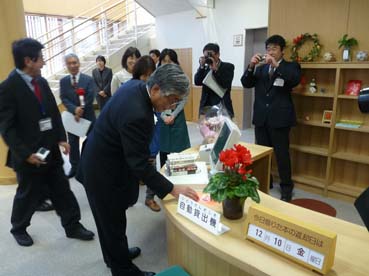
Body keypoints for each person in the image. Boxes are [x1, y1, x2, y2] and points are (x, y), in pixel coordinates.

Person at [77, 64, 199, 276]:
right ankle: (123, 269)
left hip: (100, 158)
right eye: (171, 100)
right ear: (155, 89)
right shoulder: (138, 113)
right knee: (113, 223)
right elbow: (139, 164)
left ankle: (115, 256)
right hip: (102, 171)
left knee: (108, 222)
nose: (172, 105)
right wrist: (172, 189)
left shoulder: (135, 86)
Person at [0, 38, 94, 247]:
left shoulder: (41, 82)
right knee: (28, 194)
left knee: (62, 189)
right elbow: (7, 128)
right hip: (29, 155)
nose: (43, 63)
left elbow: (52, 110)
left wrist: (61, 137)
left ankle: (72, 225)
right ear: (28, 61)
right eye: (41, 59)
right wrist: (25, 154)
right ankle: (18, 227)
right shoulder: (8, 88)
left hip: (49, 148)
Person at [240, 34, 301, 202]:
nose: (270, 52)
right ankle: (266, 182)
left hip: (280, 118)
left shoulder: (291, 66)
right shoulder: (260, 69)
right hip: (261, 118)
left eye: (274, 48)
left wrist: (277, 67)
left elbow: (293, 81)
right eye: (268, 49)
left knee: (282, 155)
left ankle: (286, 187)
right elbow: (246, 83)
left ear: (282, 51)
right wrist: (251, 65)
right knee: (262, 153)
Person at [60, 53, 96, 178]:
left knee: (91, 142)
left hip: (88, 117)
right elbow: (63, 98)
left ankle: (90, 166)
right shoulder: (63, 81)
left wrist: (81, 109)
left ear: (79, 63)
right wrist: (74, 109)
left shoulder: (88, 79)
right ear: (66, 66)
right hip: (73, 118)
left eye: (74, 62)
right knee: (73, 143)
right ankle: (75, 167)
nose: (73, 65)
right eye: (69, 63)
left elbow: (90, 96)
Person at [132, 56, 161, 212]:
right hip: (138, 146)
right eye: (145, 75)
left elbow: (156, 126)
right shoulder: (136, 95)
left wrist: (153, 150)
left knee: (151, 169)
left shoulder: (153, 95)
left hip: (151, 146)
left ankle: (150, 198)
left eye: (151, 75)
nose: (147, 79)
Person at [157, 49, 191, 168]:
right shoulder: (155, 79)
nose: (166, 64)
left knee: (180, 153)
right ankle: (164, 182)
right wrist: (164, 116)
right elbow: (153, 100)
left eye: (170, 61)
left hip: (178, 116)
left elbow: (184, 99)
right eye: (164, 61)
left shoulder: (183, 78)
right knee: (164, 152)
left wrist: (173, 115)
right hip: (161, 117)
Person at [194, 43, 235, 118]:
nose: (209, 58)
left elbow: (226, 84)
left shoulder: (228, 67)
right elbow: (197, 82)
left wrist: (216, 70)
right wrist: (201, 66)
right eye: (206, 56)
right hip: (206, 107)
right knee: (206, 129)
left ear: (218, 54)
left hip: (222, 106)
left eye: (211, 55)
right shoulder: (205, 68)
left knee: (223, 129)